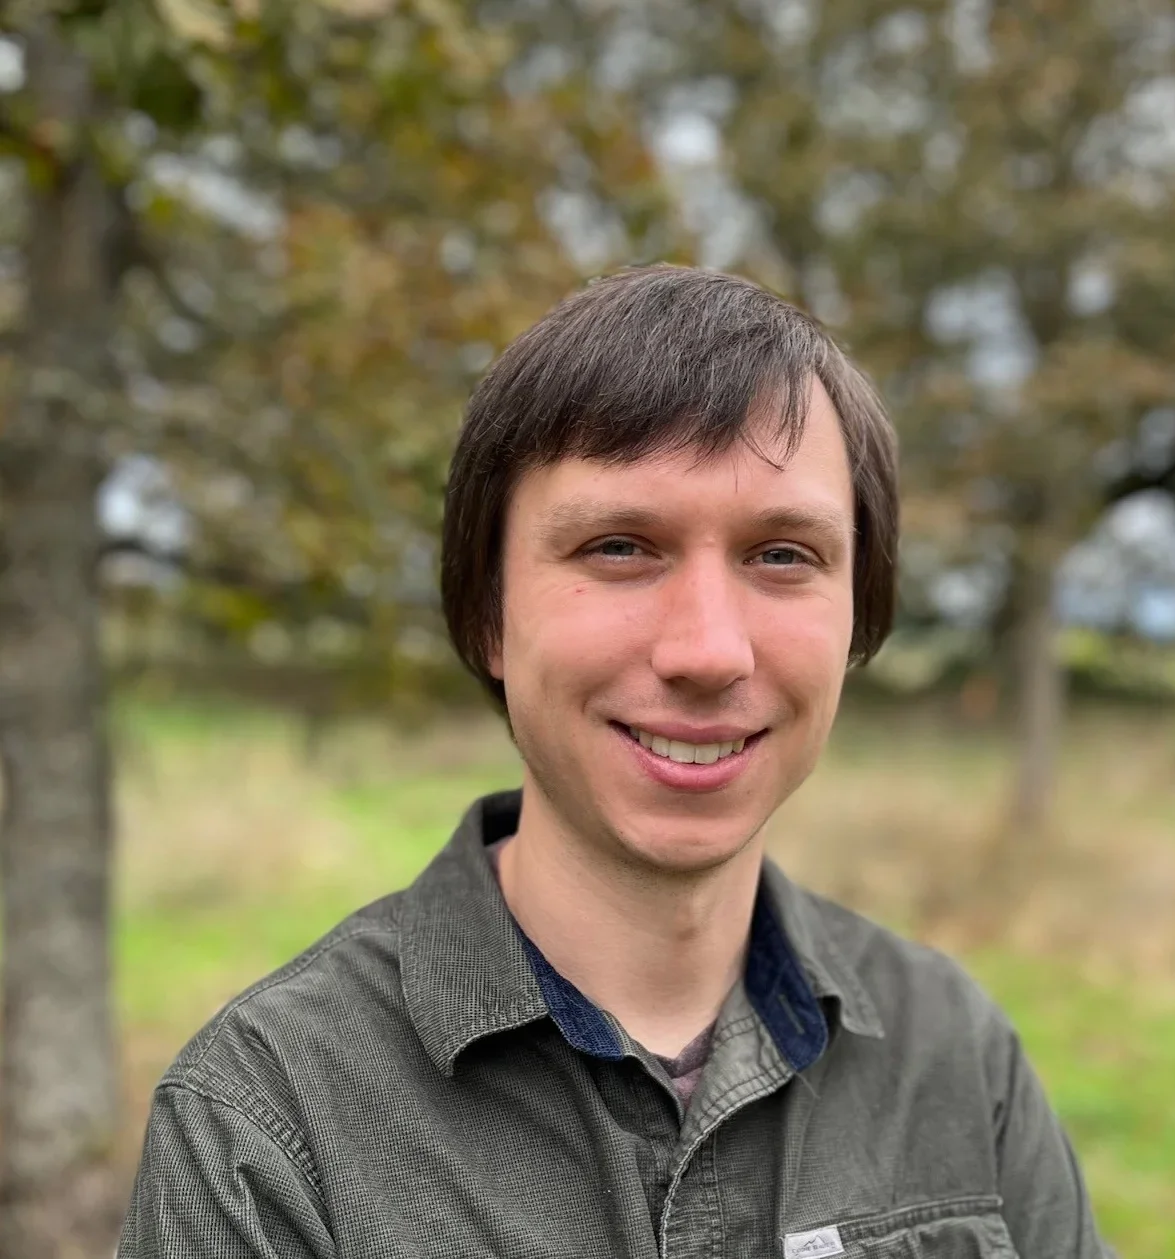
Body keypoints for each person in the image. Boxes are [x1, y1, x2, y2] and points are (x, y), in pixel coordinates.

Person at [120, 265, 1110, 1258]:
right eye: (620, 546)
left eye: (780, 555)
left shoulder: (952, 1052)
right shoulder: (265, 1118)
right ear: (486, 614)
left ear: (859, 614)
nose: (709, 650)